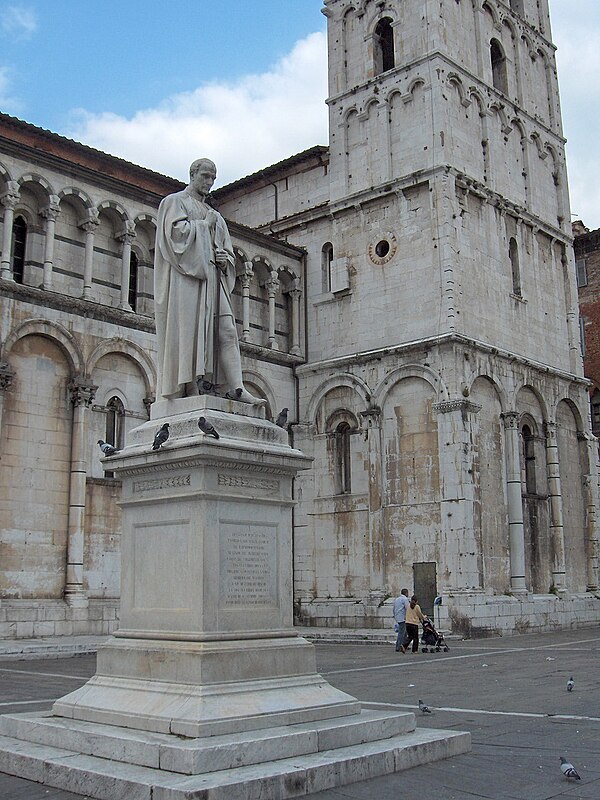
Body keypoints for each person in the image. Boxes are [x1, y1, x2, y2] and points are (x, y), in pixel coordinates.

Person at [154, 158, 266, 405]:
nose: (209, 182)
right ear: (192, 174)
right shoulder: (174, 202)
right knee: (192, 333)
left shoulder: (216, 215)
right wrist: (204, 228)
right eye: (205, 176)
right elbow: (175, 239)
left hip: (215, 281)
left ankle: (237, 388)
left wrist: (225, 259)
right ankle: (193, 385)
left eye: (213, 178)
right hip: (189, 282)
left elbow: (228, 253)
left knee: (227, 331)